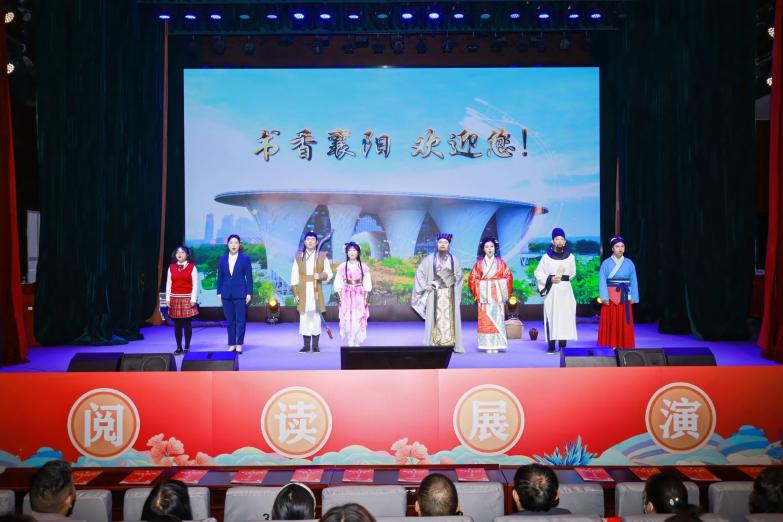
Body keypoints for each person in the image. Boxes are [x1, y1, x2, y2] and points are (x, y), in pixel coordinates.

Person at [412, 233, 464, 353]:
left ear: (449, 245)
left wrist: (447, 280)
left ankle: (451, 344)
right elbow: (419, 272)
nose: (442, 245)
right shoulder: (430, 259)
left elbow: (459, 276)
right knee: (435, 318)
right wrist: (426, 285)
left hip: (449, 295)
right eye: (440, 242)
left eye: (445, 243)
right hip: (434, 295)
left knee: (450, 319)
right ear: (437, 244)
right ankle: (434, 344)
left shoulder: (454, 260)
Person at [534, 228, 577, 353]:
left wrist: (564, 280)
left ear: (565, 241)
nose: (559, 241)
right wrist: (550, 279)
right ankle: (551, 345)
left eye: (562, 239)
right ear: (552, 241)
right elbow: (538, 272)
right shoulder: (546, 257)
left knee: (565, 316)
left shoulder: (570, 257)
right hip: (553, 289)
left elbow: (573, 273)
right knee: (552, 315)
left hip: (565, 290)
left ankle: (563, 345)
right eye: (557, 239)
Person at [291, 231, 333, 353]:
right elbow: (294, 276)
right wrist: (296, 293)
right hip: (303, 291)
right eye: (308, 239)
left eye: (312, 239)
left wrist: (320, 275)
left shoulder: (321, 256)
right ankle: (305, 346)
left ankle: (315, 346)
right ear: (304, 242)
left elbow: (329, 273)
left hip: (316, 291)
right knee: (304, 318)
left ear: (317, 242)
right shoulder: (299, 256)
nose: (310, 241)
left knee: (316, 318)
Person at [469, 237, 513, 352]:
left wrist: (497, 283)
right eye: (487, 247)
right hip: (485, 297)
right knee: (486, 320)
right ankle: (487, 344)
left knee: (498, 319)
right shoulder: (479, 264)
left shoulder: (501, 263)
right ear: (483, 249)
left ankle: (497, 344)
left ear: (495, 248)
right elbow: (472, 279)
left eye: (492, 246)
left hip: (497, 296)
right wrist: (485, 285)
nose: (489, 249)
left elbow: (508, 276)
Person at [597, 236, 639, 348]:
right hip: (610, 296)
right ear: (612, 248)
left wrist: (634, 297)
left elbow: (633, 281)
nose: (620, 249)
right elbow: (602, 281)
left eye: (622, 246)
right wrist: (604, 297)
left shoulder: (629, 263)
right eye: (617, 246)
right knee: (611, 320)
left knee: (624, 320)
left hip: (625, 295)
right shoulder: (606, 263)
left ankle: (624, 343)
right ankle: (611, 343)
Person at [217, 234, 254, 354]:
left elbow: (249, 278)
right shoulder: (222, 259)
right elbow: (220, 277)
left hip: (241, 294)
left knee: (240, 321)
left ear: (239, 245)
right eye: (231, 243)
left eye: (236, 243)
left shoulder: (245, 259)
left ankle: (239, 344)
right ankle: (232, 344)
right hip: (226, 294)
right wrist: (219, 292)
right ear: (228, 244)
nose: (233, 245)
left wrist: (249, 293)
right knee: (230, 321)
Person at [333, 242, 372, 347]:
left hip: (359, 295)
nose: (352, 252)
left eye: (354, 250)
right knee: (348, 317)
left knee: (358, 316)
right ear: (346, 252)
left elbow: (367, 283)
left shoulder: (363, 266)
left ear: (358, 252)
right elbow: (338, 283)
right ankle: (350, 339)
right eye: (350, 250)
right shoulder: (342, 266)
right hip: (346, 295)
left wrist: (365, 299)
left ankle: (357, 340)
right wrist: (340, 297)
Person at [166, 246, 199, 355]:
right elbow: (168, 284)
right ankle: (179, 347)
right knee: (177, 324)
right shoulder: (171, 267)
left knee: (187, 323)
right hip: (174, 298)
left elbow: (195, 284)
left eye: (182, 252)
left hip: (187, 298)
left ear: (187, 255)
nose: (179, 254)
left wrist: (193, 299)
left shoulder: (192, 267)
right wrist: (167, 298)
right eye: (177, 252)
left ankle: (187, 347)